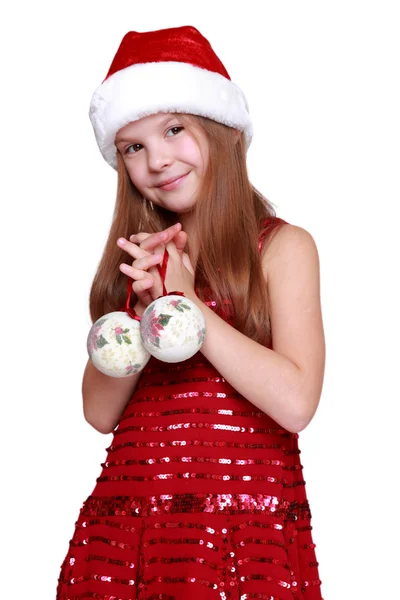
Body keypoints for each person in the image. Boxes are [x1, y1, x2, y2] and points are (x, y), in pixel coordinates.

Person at [57, 25, 326, 600]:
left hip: (239, 532)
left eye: (173, 129)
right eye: (132, 146)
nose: (157, 159)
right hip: (130, 532)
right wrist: (140, 311)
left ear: (221, 131)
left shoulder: (282, 248)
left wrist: (189, 309)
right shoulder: (137, 263)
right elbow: (99, 414)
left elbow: (297, 404)